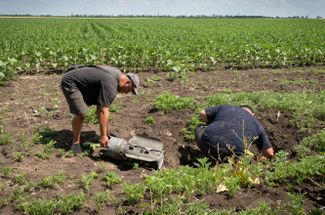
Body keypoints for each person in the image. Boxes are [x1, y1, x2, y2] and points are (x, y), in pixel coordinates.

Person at [61, 65, 140, 154]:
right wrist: (103, 136)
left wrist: (106, 135)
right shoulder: (111, 83)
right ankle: (75, 143)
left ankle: (105, 135)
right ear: (127, 82)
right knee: (81, 113)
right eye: (129, 90)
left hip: (85, 85)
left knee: (100, 104)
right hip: (72, 82)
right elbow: (103, 111)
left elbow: (101, 108)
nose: (127, 93)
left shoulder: (116, 75)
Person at [195, 105, 274, 162]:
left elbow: (203, 113)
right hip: (235, 156)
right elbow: (270, 153)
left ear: (239, 108)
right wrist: (259, 160)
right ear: (253, 114)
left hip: (209, 144)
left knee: (200, 127)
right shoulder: (257, 124)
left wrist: (211, 123)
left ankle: (208, 156)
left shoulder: (228, 107)